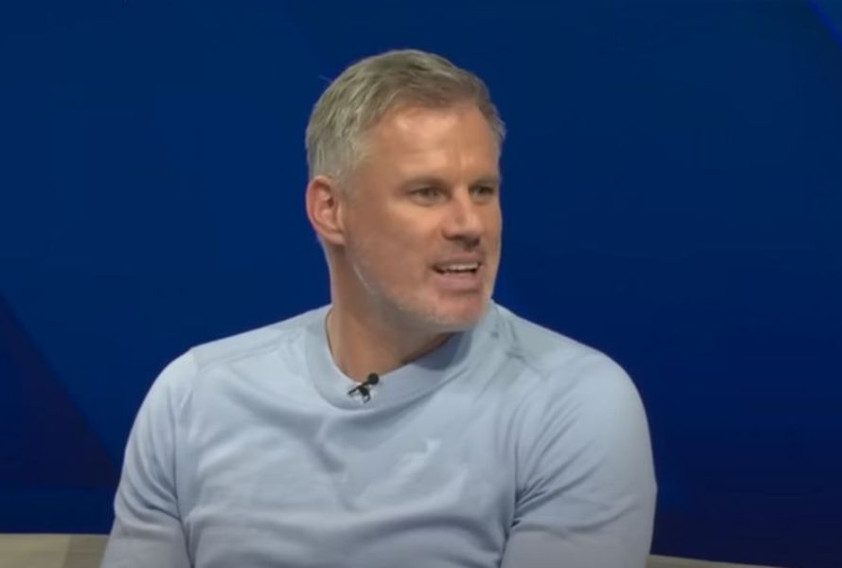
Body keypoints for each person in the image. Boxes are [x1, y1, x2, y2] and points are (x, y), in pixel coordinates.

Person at [101, 49, 656, 568]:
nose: (470, 224)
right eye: (427, 192)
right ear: (330, 209)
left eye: (483, 190)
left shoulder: (572, 404)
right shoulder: (194, 397)